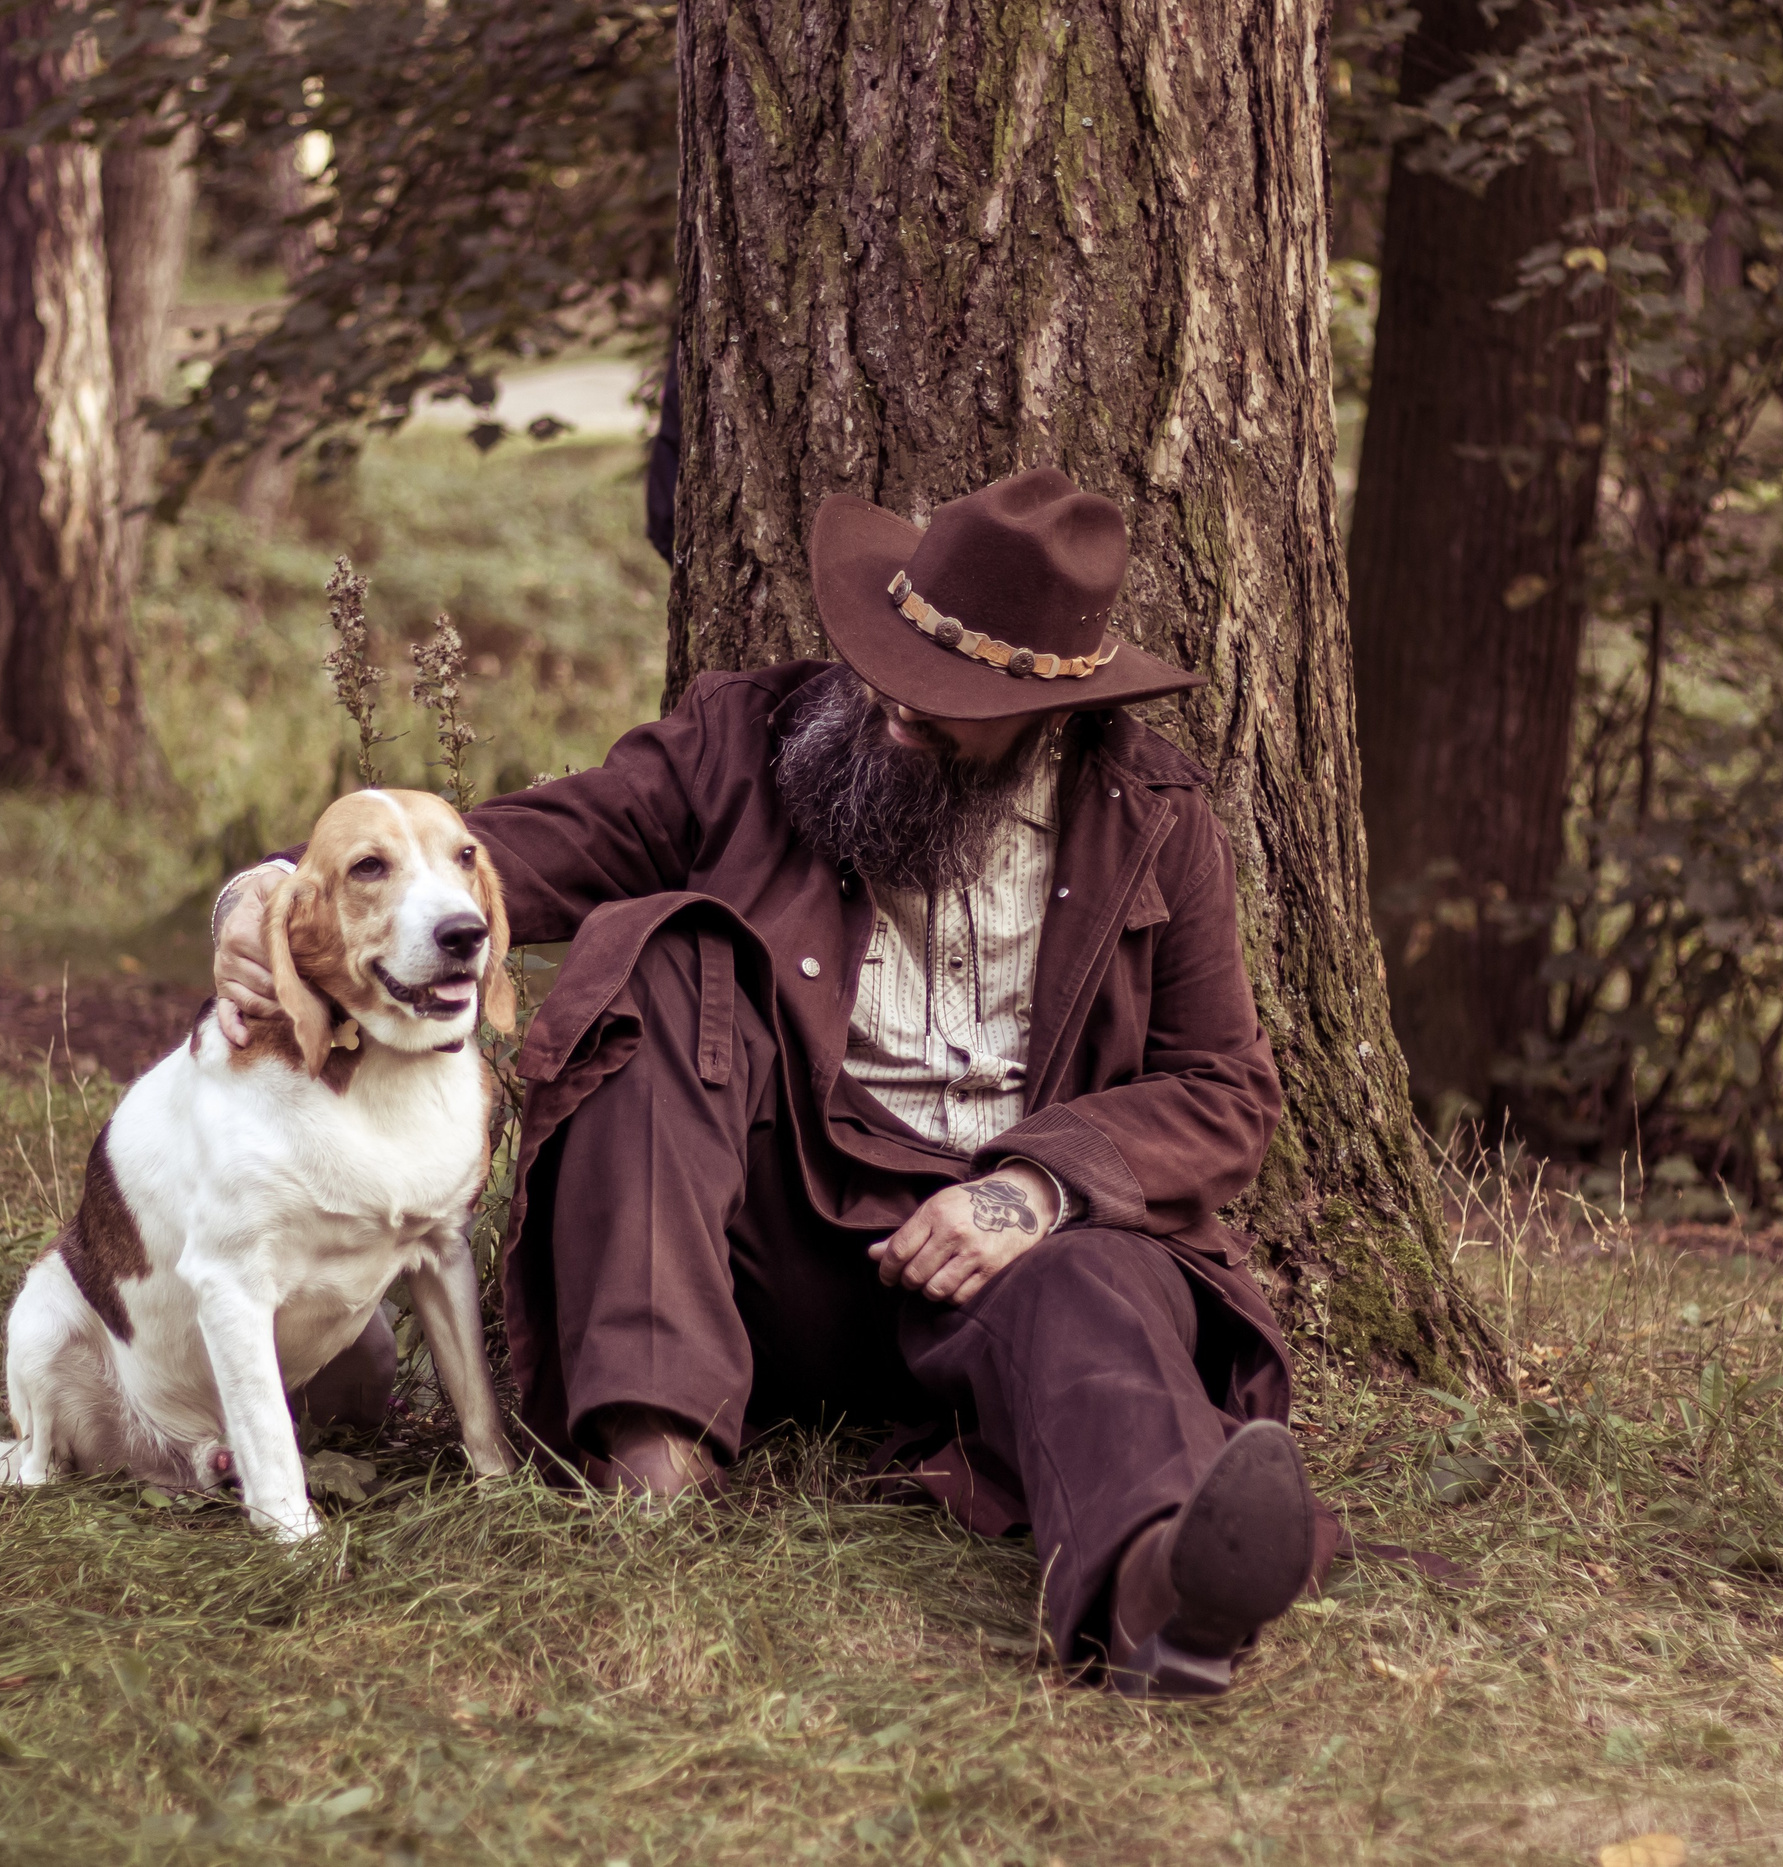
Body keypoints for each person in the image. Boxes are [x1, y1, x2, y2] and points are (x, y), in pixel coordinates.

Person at [212, 466, 1326, 1697]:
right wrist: (278, 892)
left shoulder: (1151, 816)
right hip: (776, 1233)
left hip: (1012, 1258)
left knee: (1105, 1285)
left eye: (948, 699)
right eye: (890, 663)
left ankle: (1162, 1584)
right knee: (666, 954)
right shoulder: (745, 742)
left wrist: (1032, 1192)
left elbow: (1225, 1090)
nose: (898, 707)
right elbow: (525, 846)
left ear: (1047, 715)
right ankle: (653, 1465)